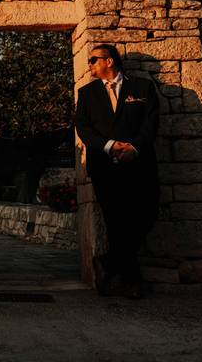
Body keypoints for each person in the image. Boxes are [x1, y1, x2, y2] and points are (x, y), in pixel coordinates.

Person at [74, 44, 160, 299]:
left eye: (93, 60)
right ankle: (131, 281)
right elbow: (83, 126)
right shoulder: (87, 93)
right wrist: (109, 146)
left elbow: (152, 122)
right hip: (105, 166)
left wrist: (134, 147)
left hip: (139, 163)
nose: (89, 65)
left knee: (148, 213)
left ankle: (108, 262)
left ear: (109, 61)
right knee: (116, 221)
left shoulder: (142, 88)